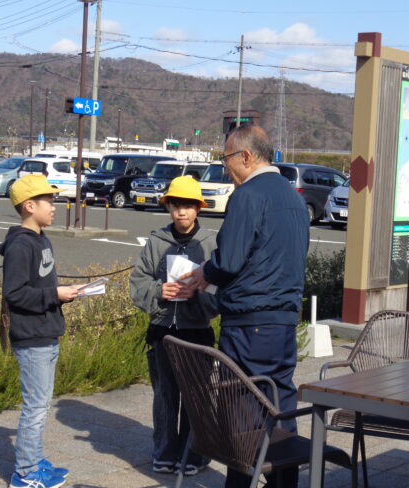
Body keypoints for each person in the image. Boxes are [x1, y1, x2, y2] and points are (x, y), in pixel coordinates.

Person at [181, 125, 310, 488]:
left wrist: (204, 272)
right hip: (283, 321)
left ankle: (240, 483)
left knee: (240, 408)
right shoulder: (294, 197)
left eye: (227, 159)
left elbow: (229, 261)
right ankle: (284, 482)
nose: (226, 168)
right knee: (280, 404)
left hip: (248, 321)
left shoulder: (248, 195)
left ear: (247, 156)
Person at [0, 174, 84, 488]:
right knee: (35, 407)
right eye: (48, 201)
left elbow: (40, 286)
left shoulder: (41, 239)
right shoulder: (21, 245)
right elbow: (15, 293)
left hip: (46, 331)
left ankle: (33, 460)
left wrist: (61, 294)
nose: (54, 206)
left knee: (40, 406)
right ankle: (25, 473)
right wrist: (55, 295)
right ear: (29, 206)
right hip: (32, 336)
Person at [130, 176, 218, 477]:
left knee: (196, 397)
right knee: (165, 396)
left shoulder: (210, 244)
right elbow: (138, 281)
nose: (182, 212)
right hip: (163, 329)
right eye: (176, 205)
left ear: (199, 209)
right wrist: (159, 291)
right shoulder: (157, 241)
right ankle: (165, 452)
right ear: (168, 207)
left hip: (197, 331)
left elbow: (221, 290)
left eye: (189, 206)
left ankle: (194, 454)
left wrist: (199, 292)